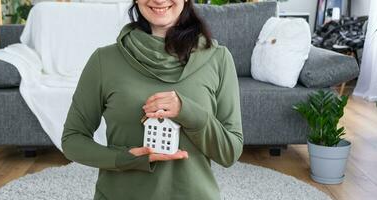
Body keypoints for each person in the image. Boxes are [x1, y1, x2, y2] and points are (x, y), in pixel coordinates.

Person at [61, 0, 243, 199]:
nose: (159, 0)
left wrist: (188, 112)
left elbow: (229, 152)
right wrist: (124, 159)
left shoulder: (219, 59)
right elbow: (72, 140)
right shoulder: (104, 60)